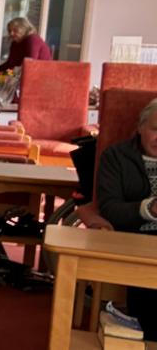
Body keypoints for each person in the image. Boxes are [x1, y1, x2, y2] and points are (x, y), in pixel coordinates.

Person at [96, 97, 157, 340]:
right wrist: (149, 209)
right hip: (136, 240)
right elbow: (109, 208)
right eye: (155, 129)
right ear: (140, 127)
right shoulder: (116, 157)